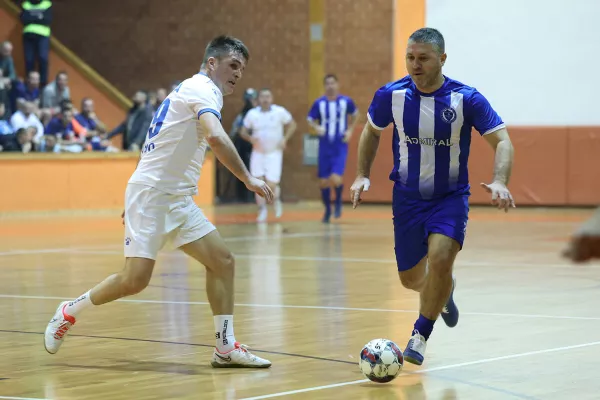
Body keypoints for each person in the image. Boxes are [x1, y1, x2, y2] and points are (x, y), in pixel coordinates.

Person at [43, 35, 274, 368]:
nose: (238, 74)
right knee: (135, 280)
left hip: (174, 197)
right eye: (233, 65)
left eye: (242, 68)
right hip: (153, 195)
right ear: (212, 63)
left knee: (223, 261)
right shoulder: (202, 89)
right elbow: (214, 136)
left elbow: (157, 139)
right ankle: (68, 311)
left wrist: (137, 187)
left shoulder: (189, 89)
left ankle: (224, 348)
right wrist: (247, 178)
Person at [350, 27, 515, 366]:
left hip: (450, 198)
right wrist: (362, 174)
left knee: (440, 258)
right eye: (410, 57)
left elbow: (503, 141)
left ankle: (420, 335)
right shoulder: (390, 95)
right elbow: (371, 131)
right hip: (407, 199)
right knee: (412, 279)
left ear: (442, 58)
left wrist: (500, 180)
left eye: (423, 58)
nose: (415, 64)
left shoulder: (466, 98)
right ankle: (443, 290)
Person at [307, 74, 359, 223]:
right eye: (327, 83)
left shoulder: (345, 101)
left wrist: (350, 130)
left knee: (335, 179)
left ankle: (337, 203)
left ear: (337, 85)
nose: (330, 86)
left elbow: (356, 115)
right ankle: (328, 209)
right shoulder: (319, 103)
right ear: (325, 86)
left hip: (339, 145)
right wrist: (317, 127)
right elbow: (310, 119)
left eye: (333, 83)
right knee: (323, 182)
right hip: (324, 146)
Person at [240, 88, 296, 222]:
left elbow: (292, 124)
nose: (265, 99)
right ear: (259, 99)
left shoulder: (279, 112)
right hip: (258, 153)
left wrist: (285, 139)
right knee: (258, 183)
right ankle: (262, 210)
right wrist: (250, 138)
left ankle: (276, 201)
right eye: (263, 97)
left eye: (268, 96)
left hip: (274, 153)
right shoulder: (252, 114)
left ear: (272, 98)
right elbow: (243, 131)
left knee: (271, 184)